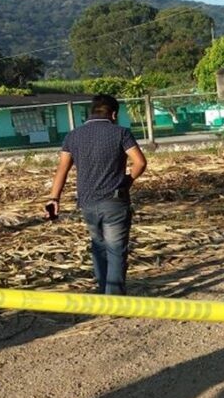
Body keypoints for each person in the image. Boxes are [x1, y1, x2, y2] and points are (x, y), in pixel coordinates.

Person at [45, 94, 147, 295]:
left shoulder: (73, 136)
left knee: (99, 248)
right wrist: (128, 180)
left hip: (88, 203)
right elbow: (140, 162)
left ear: (91, 112)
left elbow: (62, 169)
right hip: (115, 201)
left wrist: (53, 198)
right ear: (114, 114)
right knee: (116, 251)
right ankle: (114, 300)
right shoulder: (121, 133)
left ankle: (103, 293)